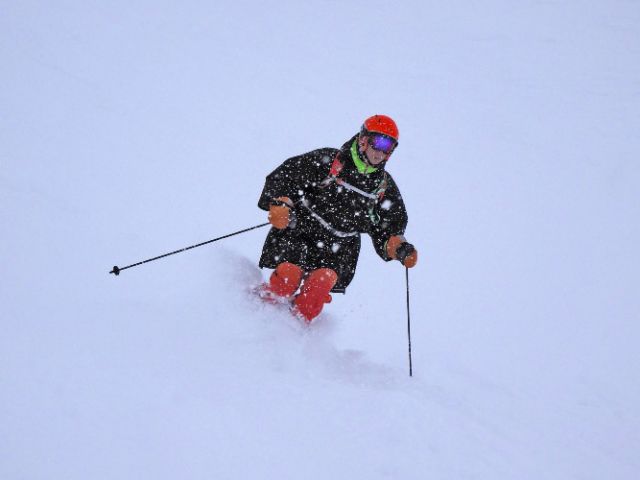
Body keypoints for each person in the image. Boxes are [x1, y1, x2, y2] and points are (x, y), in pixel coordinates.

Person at [257, 114, 418, 322]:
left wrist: (397, 246)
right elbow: (287, 175)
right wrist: (280, 203)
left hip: (340, 247)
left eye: (389, 147)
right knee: (287, 276)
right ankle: (257, 315)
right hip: (301, 230)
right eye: (378, 143)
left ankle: (291, 335)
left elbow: (388, 226)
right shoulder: (330, 161)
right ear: (363, 140)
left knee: (317, 290)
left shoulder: (382, 186)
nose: (381, 152)